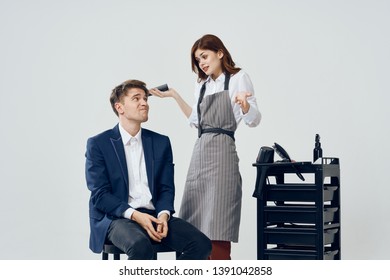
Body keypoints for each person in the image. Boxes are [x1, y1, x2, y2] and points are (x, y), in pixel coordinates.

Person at [150, 34, 261, 260]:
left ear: (220, 53)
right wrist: (174, 96)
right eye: (197, 59)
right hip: (200, 153)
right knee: (193, 222)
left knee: (219, 222)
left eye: (204, 56)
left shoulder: (239, 78)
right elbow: (196, 122)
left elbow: (254, 120)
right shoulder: (202, 84)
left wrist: (245, 104)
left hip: (223, 155)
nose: (201, 62)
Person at [85, 79, 212, 260]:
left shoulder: (161, 142)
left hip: (155, 215)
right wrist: (135, 215)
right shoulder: (99, 144)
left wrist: (163, 216)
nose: (144, 103)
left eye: (145, 98)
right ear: (119, 107)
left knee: (201, 245)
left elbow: (166, 188)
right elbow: (100, 195)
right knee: (140, 246)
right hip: (117, 218)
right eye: (136, 99)